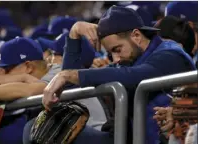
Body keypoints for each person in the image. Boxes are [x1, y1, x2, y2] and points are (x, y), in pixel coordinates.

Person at [23, 6, 196, 144]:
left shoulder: (170, 54)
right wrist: (74, 35)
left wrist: (69, 75)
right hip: (128, 138)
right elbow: (69, 87)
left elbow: (136, 76)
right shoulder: (129, 59)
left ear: (136, 35)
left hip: (172, 138)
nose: (115, 59)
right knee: (38, 128)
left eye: (117, 50)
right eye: (110, 53)